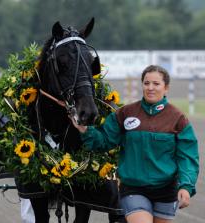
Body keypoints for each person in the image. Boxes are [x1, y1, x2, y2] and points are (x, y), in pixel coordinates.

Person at [70, 65, 199, 223]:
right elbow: (104, 141)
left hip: (166, 190)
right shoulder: (125, 113)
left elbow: (188, 157)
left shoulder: (178, 118)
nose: (150, 87)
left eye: (156, 84)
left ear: (166, 88)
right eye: (146, 83)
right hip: (133, 188)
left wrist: (186, 186)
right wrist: (85, 129)